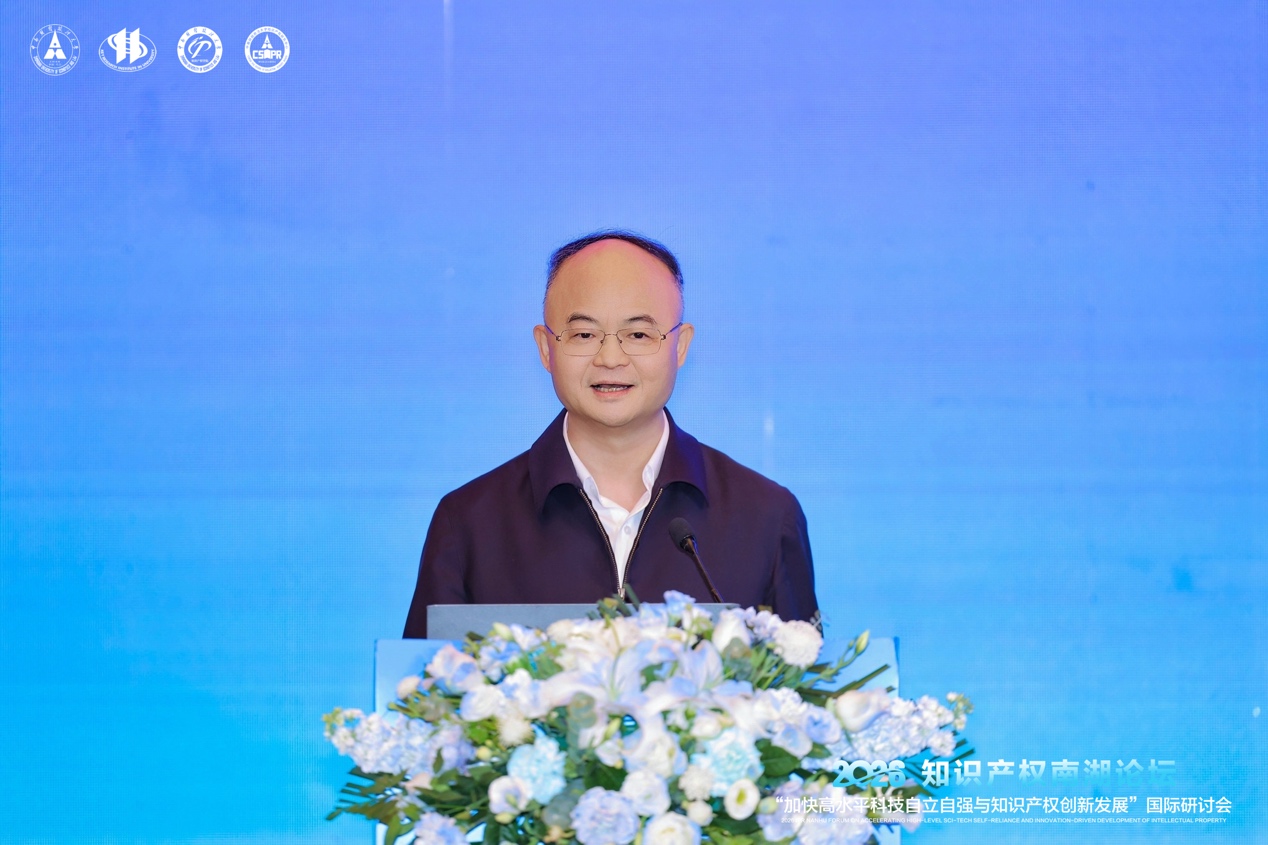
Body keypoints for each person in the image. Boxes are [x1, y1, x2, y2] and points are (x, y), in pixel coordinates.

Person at [403, 231, 818, 637]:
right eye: (584, 334)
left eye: (638, 334)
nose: (611, 358)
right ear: (546, 348)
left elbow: (801, 675)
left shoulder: (765, 517)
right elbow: (423, 680)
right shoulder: (470, 523)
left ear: (680, 346)